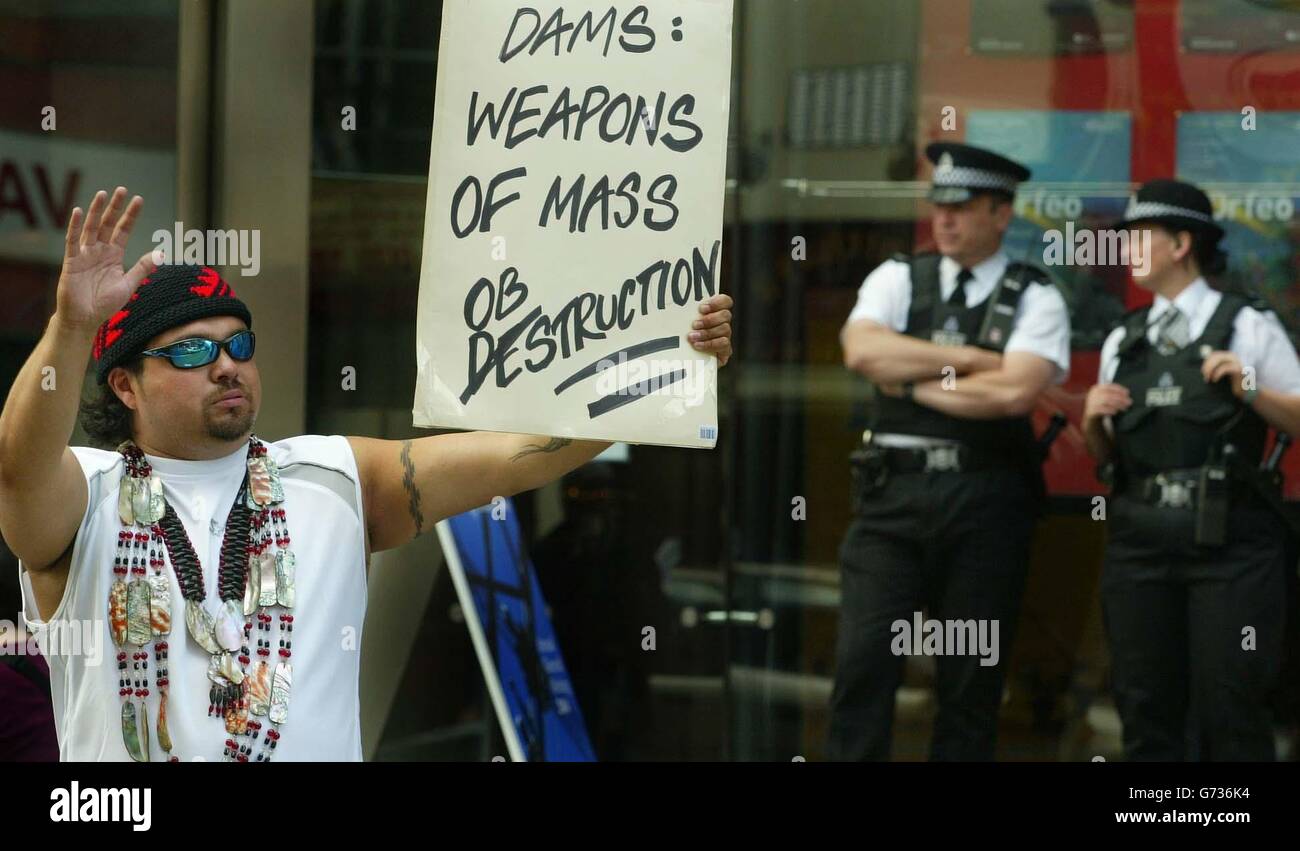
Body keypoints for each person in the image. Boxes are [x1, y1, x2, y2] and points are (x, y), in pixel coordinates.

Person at [0, 187, 733, 762]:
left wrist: (664, 363)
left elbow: (521, 452)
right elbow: (18, 465)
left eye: (239, 342)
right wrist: (69, 326)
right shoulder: (86, 494)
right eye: (190, 353)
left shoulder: (334, 476)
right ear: (124, 386)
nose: (226, 364)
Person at [830, 142, 1071, 761]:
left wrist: (909, 380)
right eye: (939, 204)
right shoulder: (895, 276)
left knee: (968, 679)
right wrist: (971, 361)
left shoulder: (1036, 294)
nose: (944, 218)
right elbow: (860, 352)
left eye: (962, 207)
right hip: (893, 495)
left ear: (1001, 212)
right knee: (864, 663)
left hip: (985, 501)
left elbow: (1016, 392)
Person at [1083, 178, 1300, 761]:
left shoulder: (1247, 324)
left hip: (1228, 541)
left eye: (1140, 237)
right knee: (1144, 701)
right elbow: (1108, 459)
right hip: (1139, 538)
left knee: (1229, 702)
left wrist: (1249, 387)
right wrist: (1091, 422)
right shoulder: (1123, 340)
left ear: (1181, 244)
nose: (1126, 249)